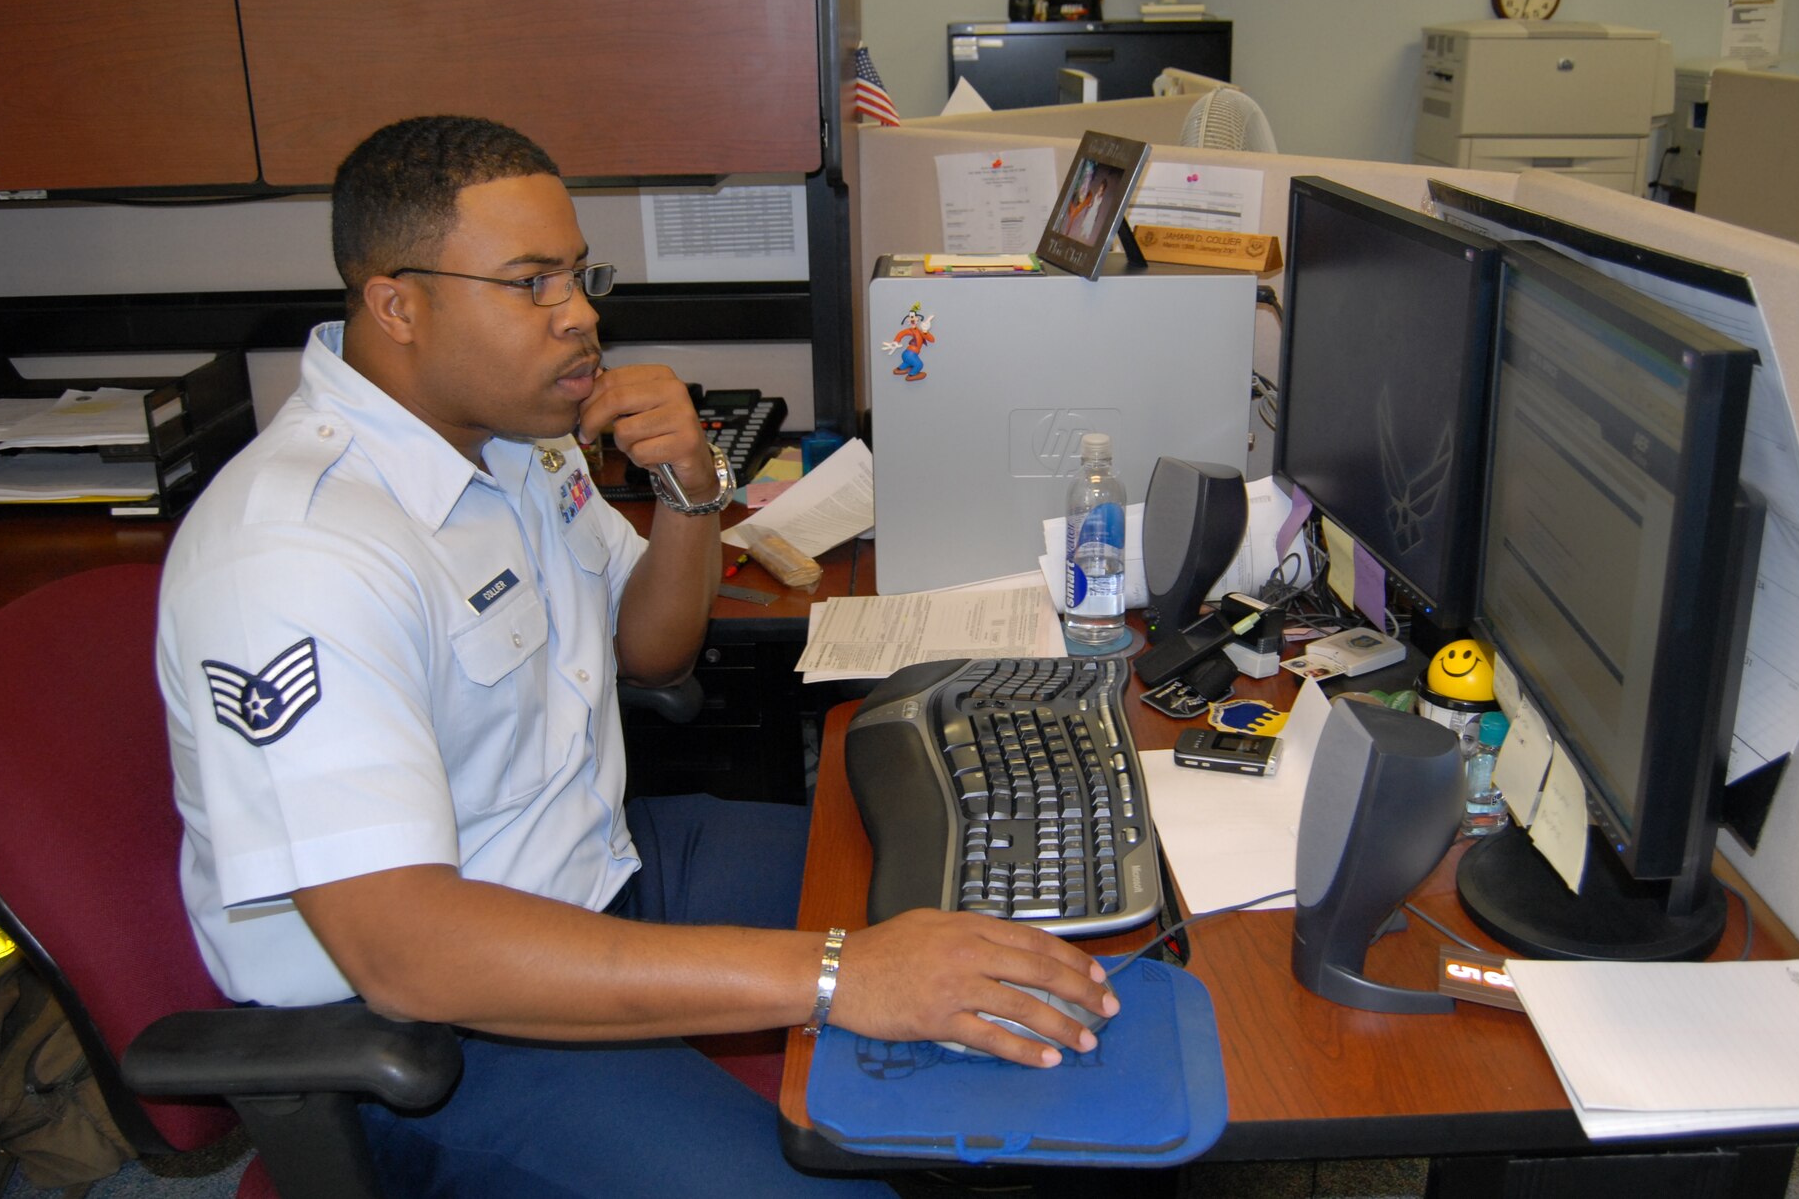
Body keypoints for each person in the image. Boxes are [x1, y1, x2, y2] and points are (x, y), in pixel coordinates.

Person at [154, 115, 1118, 1197]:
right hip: (440, 1028)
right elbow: (408, 950)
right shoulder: (295, 552)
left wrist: (689, 488)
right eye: (531, 283)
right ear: (397, 304)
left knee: (986, 900)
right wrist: (839, 973)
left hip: (605, 864)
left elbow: (652, 652)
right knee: (843, 1135)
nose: (580, 315)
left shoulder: (514, 446)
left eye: (576, 273)